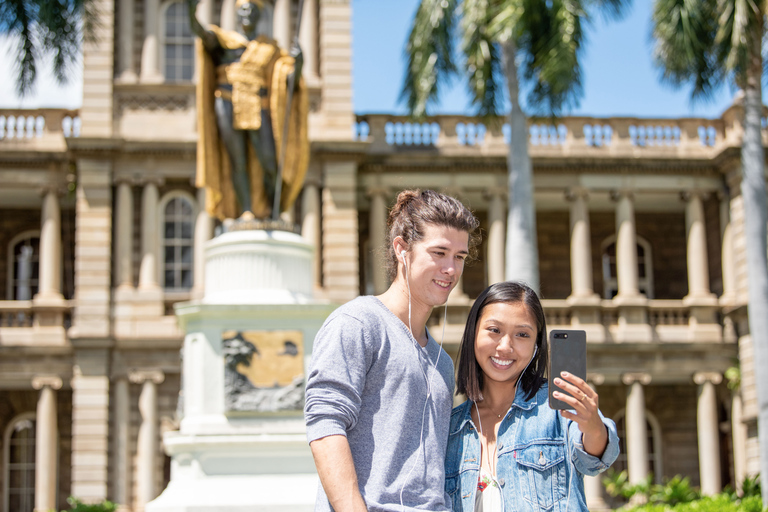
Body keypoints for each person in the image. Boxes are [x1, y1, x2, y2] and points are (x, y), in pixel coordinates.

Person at [304, 189, 481, 512]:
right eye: (439, 252)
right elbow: (325, 423)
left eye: (459, 257)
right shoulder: (358, 322)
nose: (451, 270)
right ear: (402, 249)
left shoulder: (440, 359)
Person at [446, 281, 619, 512]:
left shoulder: (557, 407)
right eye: (494, 330)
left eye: (522, 334)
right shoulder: (451, 427)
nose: (505, 346)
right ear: (473, 333)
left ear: (536, 345)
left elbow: (594, 460)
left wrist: (594, 426)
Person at [188, 0, 309, 220]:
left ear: (258, 16)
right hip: (226, 102)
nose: (247, 14)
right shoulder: (226, 42)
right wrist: (190, 11)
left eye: (252, 10)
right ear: (237, 14)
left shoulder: (269, 49)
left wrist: (298, 64)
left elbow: (288, 82)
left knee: (269, 162)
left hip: (258, 105)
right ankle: (246, 210)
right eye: (243, 9)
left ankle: (274, 210)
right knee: (238, 161)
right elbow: (202, 34)